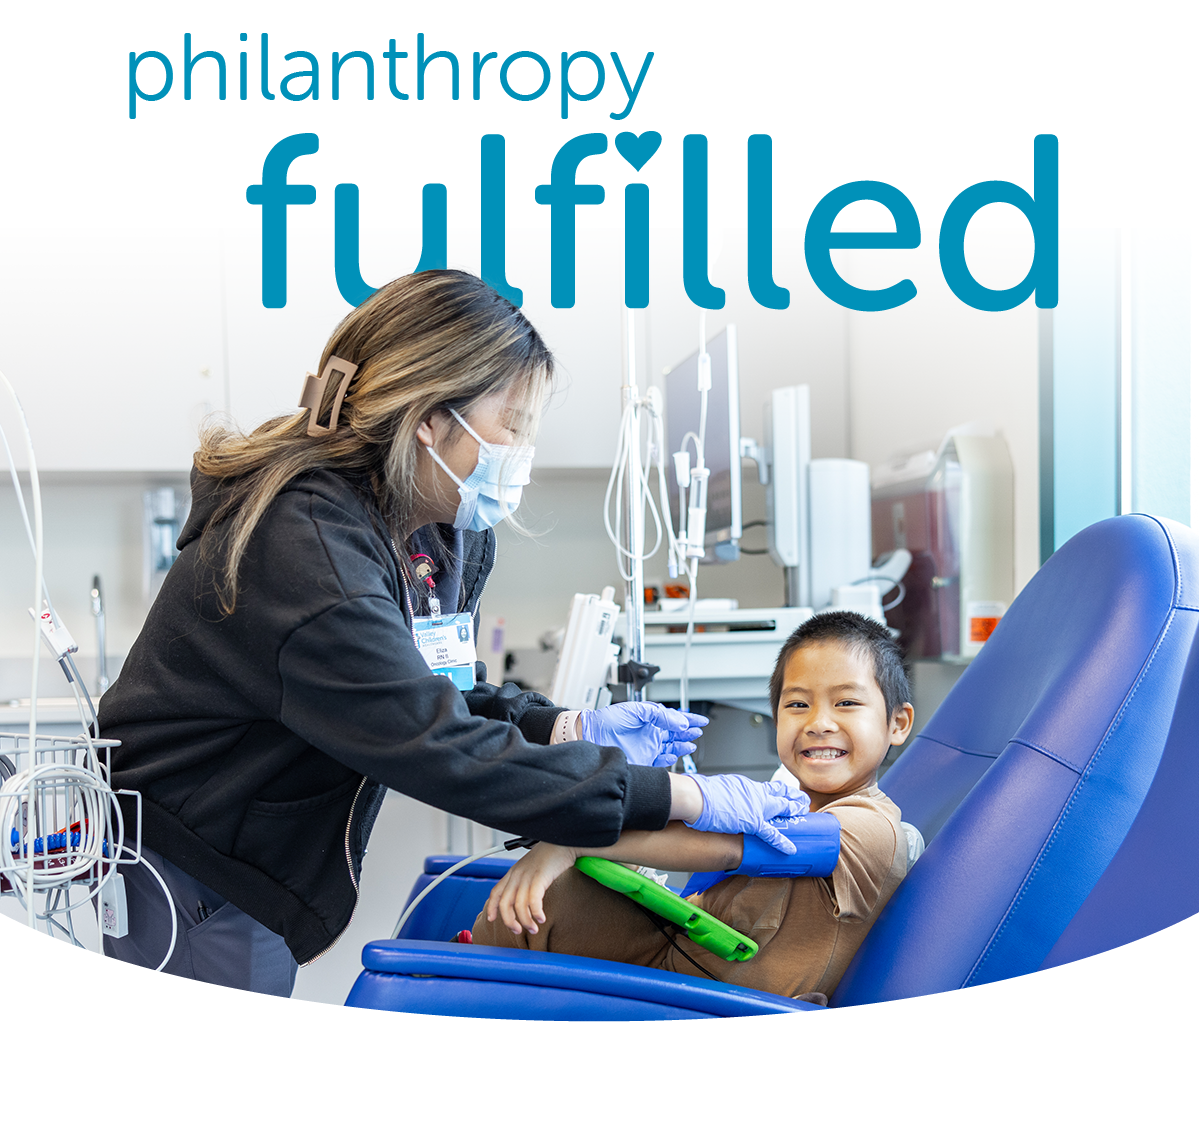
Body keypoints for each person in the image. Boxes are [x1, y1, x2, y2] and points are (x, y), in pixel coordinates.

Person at [97, 271, 808, 995]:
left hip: (250, 853)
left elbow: (440, 691)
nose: (523, 449)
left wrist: (567, 726)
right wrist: (683, 796)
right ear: (431, 418)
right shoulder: (303, 543)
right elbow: (434, 741)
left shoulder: (427, 529)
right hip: (196, 865)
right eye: (515, 423)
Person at [474, 610, 916, 1003]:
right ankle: (458, 984)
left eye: (847, 703)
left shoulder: (870, 829)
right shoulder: (787, 800)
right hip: (671, 966)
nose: (819, 723)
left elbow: (726, 846)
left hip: (708, 1007)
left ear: (897, 723)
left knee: (547, 894)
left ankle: (453, 994)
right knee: (544, 902)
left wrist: (572, 844)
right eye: (797, 704)